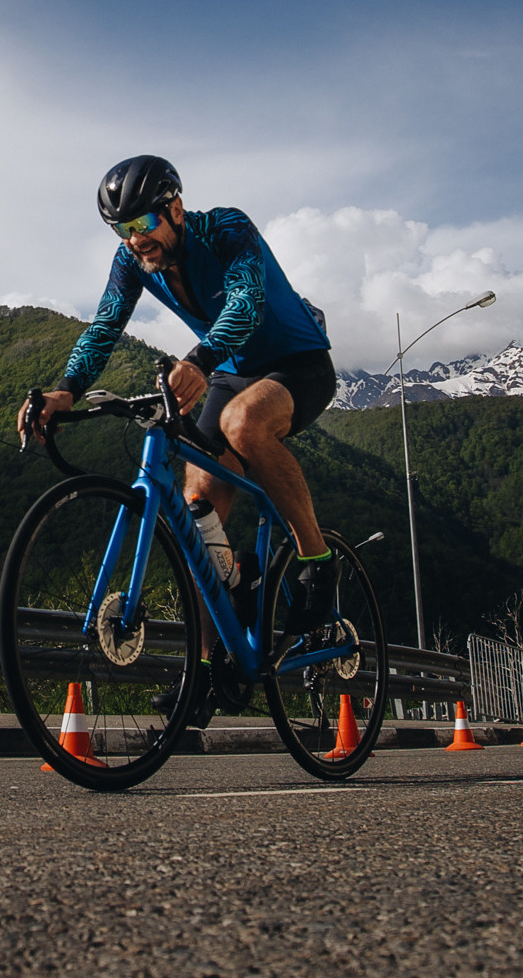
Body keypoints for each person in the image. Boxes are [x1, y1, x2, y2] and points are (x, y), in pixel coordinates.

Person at [20, 154, 339, 639]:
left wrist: (198, 361)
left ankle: (317, 560)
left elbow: (245, 301)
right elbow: (105, 325)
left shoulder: (227, 229)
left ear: (176, 209)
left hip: (298, 362)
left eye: (143, 222)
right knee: (197, 515)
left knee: (243, 423)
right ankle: (208, 670)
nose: (134, 238)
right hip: (229, 372)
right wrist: (66, 392)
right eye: (121, 228)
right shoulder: (133, 260)